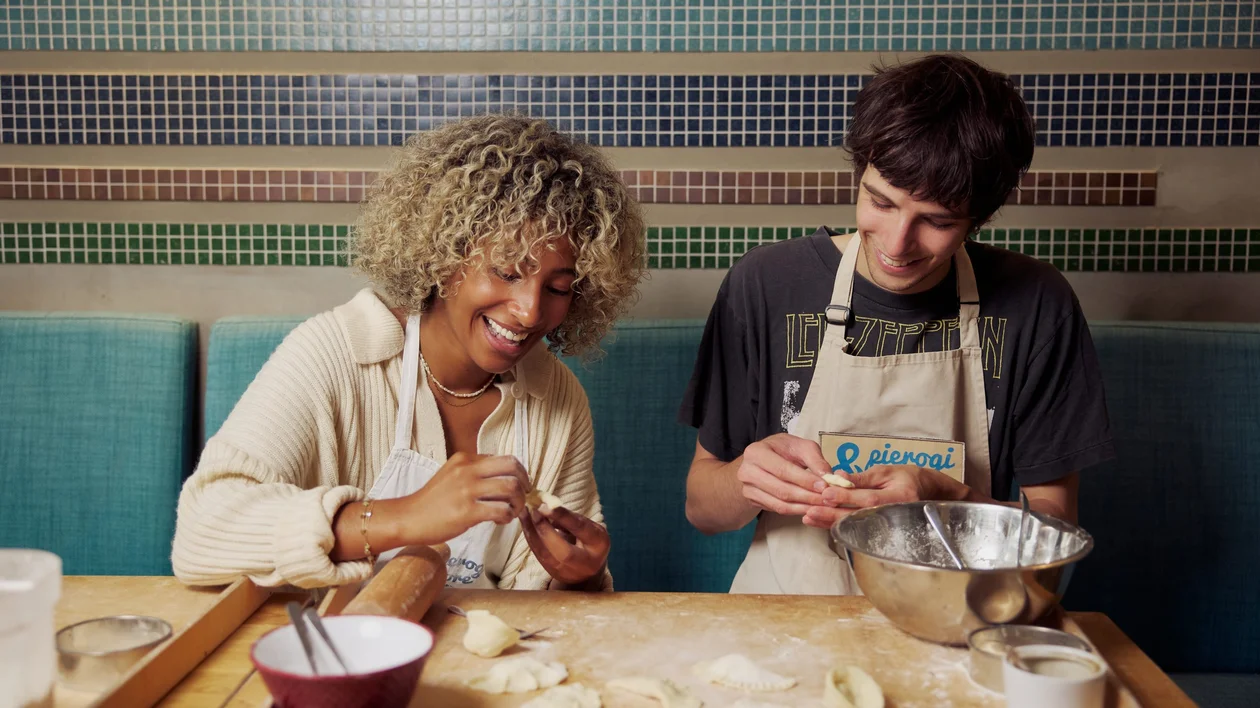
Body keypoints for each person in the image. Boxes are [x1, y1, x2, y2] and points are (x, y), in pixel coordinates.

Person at [679, 55, 1115, 594]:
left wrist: (948, 500)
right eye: (879, 202)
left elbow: (1051, 541)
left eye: (936, 221)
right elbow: (703, 507)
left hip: (961, 623)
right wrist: (749, 478)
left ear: (980, 216)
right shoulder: (766, 284)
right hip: (786, 620)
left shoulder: (1036, 305)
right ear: (860, 170)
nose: (896, 243)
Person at [172, 115, 645, 591]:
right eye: (506, 272)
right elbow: (203, 531)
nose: (529, 311)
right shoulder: (336, 354)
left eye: (559, 288)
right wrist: (403, 517)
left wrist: (580, 578)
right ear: (444, 256)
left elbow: (551, 612)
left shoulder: (556, 399)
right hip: (335, 653)